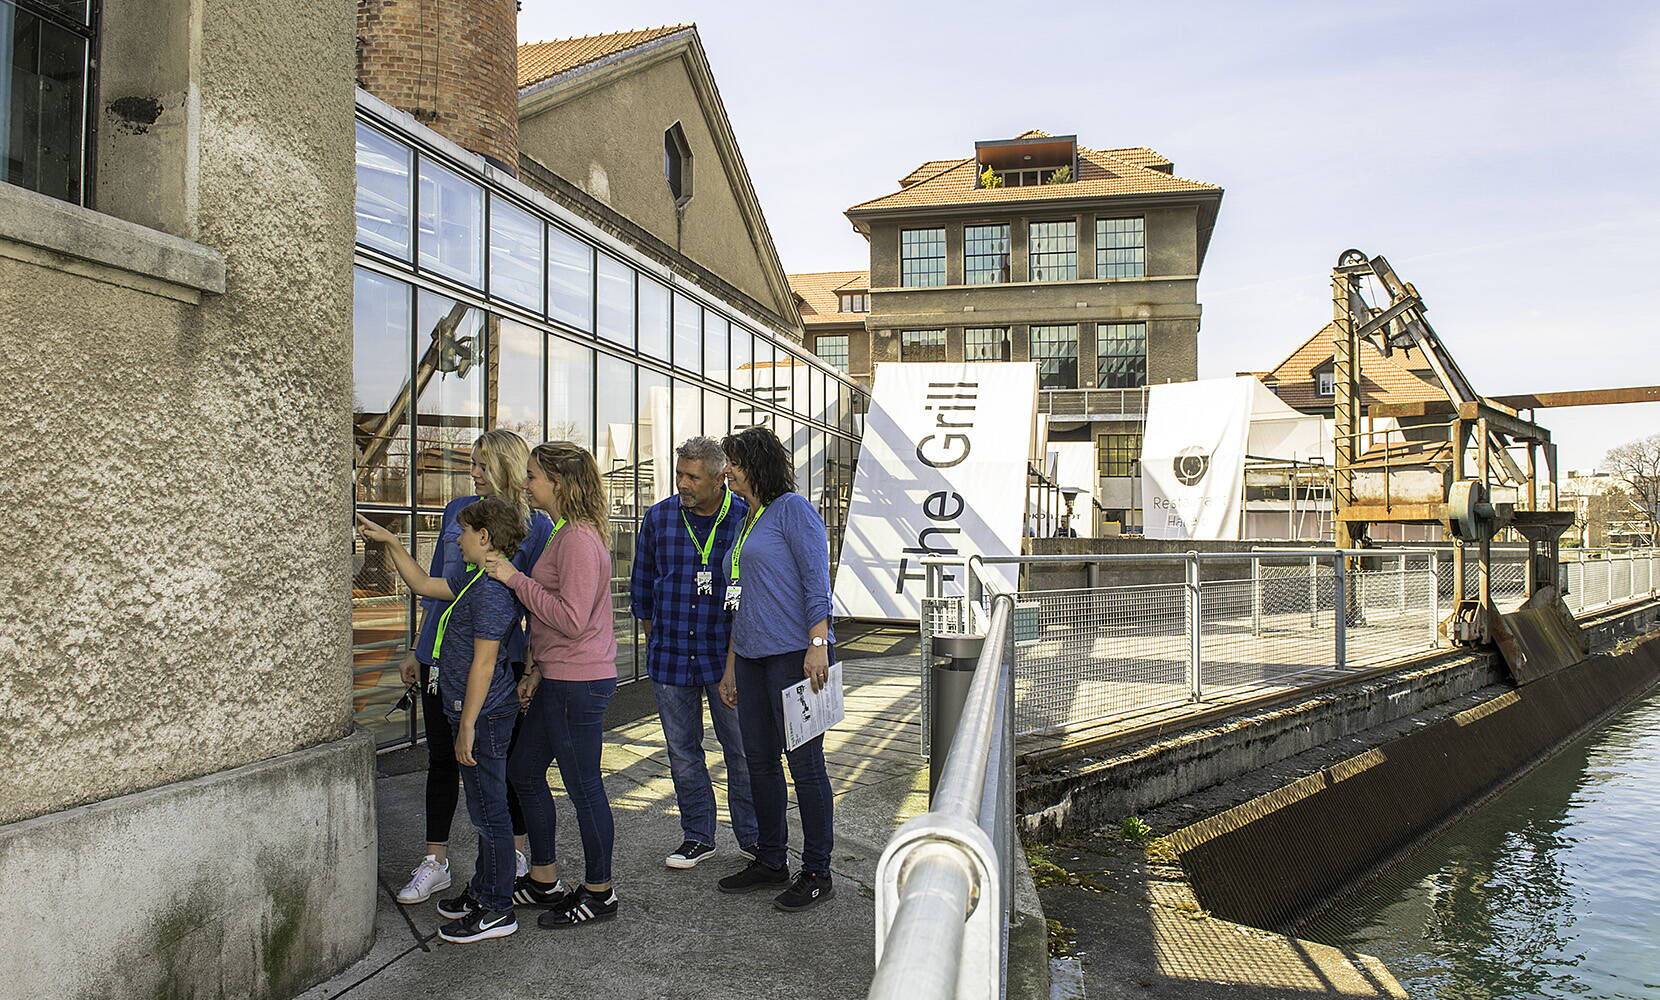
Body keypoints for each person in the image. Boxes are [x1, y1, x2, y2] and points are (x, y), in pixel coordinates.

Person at [368, 429, 551, 906]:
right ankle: (437, 861)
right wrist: (416, 647)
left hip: (493, 662)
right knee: (443, 760)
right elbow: (436, 587)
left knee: (497, 766)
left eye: (480, 464)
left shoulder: (538, 526)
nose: (472, 473)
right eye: (470, 463)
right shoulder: (458, 513)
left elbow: (534, 602)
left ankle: (508, 860)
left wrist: (533, 666)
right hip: (439, 658)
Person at [359, 496, 529, 942]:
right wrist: (391, 543)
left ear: (485, 537)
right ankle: (483, 891)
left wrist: (468, 722)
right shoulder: (475, 576)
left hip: (485, 716)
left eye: (464, 532)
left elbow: (485, 664)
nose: (458, 538)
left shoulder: (492, 592)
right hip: (468, 712)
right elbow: (422, 585)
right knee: (480, 810)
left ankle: (497, 909)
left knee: (491, 814)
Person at [490, 441, 621, 928]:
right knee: (523, 772)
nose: (525, 485)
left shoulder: (579, 539)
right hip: (559, 677)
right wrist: (536, 668)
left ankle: (600, 893)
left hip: (578, 684)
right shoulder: (565, 533)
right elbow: (562, 620)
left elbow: (570, 618)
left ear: (559, 482)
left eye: (532, 476)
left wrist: (512, 578)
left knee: (584, 787)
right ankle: (544, 880)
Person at [714, 426, 838, 912]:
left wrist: (817, 643)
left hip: (794, 656)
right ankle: (771, 859)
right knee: (758, 761)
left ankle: (816, 871)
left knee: (805, 767)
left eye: (735, 461)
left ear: (759, 463)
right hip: (749, 658)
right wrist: (730, 665)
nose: (728, 470)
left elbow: (816, 578)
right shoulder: (748, 518)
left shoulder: (793, 510)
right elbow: (739, 598)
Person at [629, 436, 759, 869]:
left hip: (727, 661)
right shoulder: (660, 517)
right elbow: (643, 586)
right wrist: (656, 637)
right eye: (680, 474)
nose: (683, 484)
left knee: (740, 751)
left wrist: (737, 663)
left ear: (720, 478)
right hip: (671, 658)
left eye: (692, 477)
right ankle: (698, 836)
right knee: (683, 753)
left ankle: (753, 838)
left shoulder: (744, 518)